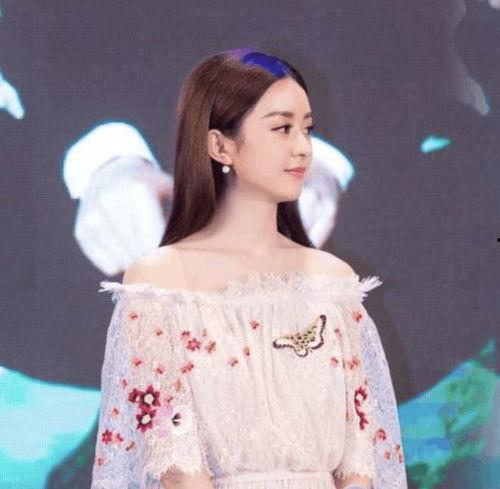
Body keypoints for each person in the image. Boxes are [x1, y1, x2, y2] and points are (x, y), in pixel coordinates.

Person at [90, 49, 407, 489]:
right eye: (282, 128)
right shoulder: (160, 283)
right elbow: (176, 464)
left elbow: (360, 460)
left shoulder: (333, 282)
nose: (303, 147)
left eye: (307, 129)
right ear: (220, 145)